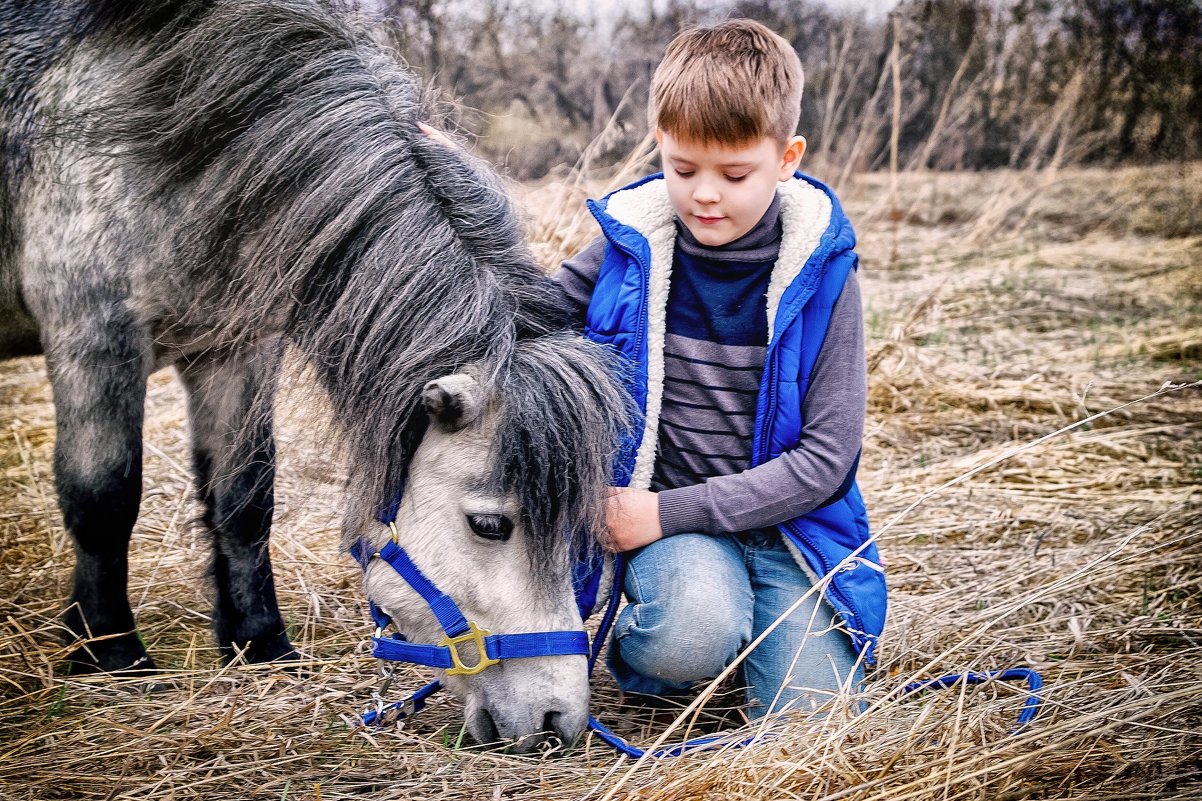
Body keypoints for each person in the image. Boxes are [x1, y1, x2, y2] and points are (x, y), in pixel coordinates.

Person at [552, 19, 886, 719]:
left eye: (735, 174)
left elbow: (827, 460)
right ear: (661, 150)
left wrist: (665, 510)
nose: (705, 194)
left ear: (787, 156)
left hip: (790, 527)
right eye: (682, 169)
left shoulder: (825, 274)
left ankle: (760, 629)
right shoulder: (631, 248)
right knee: (689, 636)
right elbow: (527, 307)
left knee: (812, 716)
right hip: (671, 529)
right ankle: (683, 656)